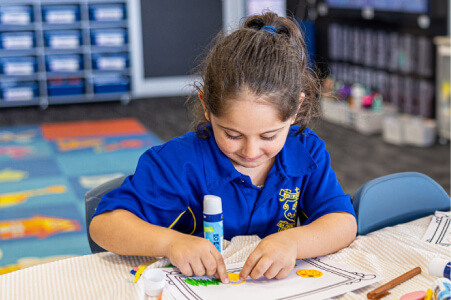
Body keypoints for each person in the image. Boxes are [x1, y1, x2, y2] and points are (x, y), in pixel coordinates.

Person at [89, 12, 357, 284]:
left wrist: (294, 243)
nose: (250, 152)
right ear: (206, 106)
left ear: (296, 109)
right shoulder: (179, 162)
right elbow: (103, 226)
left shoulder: (306, 151)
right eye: (232, 134)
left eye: (269, 136)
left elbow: (343, 223)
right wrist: (170, 242)